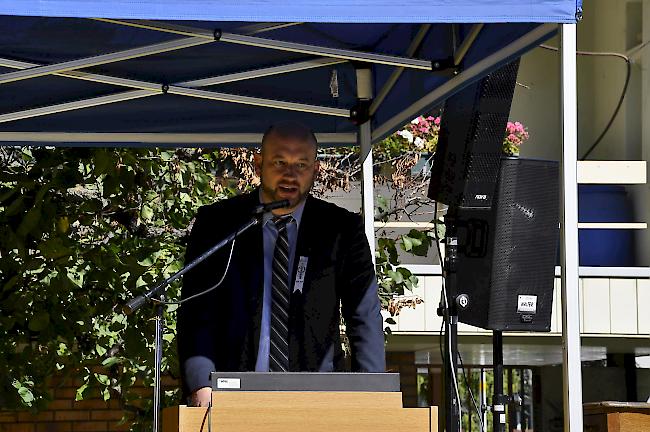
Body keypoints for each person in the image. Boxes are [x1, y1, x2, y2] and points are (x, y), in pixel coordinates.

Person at [177, 121, 385, 406]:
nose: (290, 175)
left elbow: (364, 316)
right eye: (279, 162)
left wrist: (372, 396)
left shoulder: (341, 230)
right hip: (230, 397)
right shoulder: (218, 224)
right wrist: (200, 383)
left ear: (315, 170)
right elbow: (196, 314)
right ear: (257, 163)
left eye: (301, 165)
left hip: (318, 399)